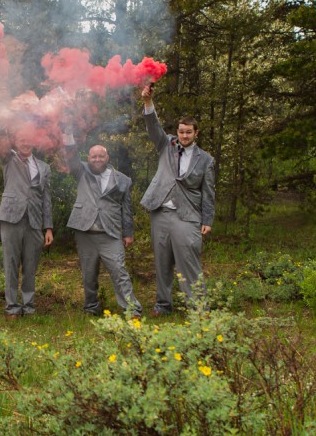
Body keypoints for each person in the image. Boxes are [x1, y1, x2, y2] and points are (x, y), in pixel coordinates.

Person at [139, 84, 215, 315]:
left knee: (188, 262)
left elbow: (208, 191)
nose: (184, 135)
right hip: (160, 211)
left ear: (196, 133)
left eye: (189, 132)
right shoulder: (167, 144)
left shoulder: (206, 160)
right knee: (162, 262)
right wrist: (148, 102)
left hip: (187, 215)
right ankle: (163, 305)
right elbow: (153, 127)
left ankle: (198, 308)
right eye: (181, 131)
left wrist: (207, 219)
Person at [62, 134, 143, 317]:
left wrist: (128, 233)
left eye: (101, 156)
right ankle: (91, 307)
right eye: (93, 157)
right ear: (88, 158)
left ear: (107, 158)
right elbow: (71, 157)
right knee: (88, 274)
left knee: (119, 271)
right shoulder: (81, 170)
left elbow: (127, 209)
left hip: (111, 233)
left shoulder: (123, 180)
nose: (97, 159)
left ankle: (132, 309)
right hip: (85, 232)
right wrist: (67, 133)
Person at [0, 125, 54, 319]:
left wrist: (49, 228)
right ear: (15, 142)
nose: (25, 143)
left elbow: (46, 199)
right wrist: (1, 120)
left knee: (30, 266)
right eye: (21, 140)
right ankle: (12, 307)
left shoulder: (44, 167)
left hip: (35, 222)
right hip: (11, 217)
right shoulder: (8, 158)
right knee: (11, 264)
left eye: (29, 139)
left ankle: (28, 307)